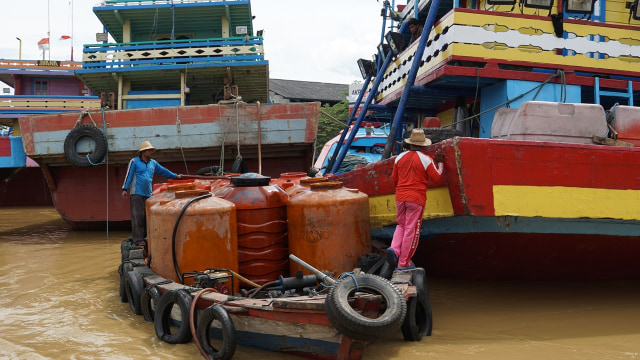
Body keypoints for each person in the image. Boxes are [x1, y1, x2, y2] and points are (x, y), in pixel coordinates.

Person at [381, 129, 444, 279]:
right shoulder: (426, 159)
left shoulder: (399, 158)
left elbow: (394, 179)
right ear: (423, 145)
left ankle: (394, 249)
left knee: (401, 225)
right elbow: (437, 178)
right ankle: (403, 263)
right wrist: (440, 162)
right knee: (412, 229)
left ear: (409, 145)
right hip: (416, 198)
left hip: (400, 197)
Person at [121, 141, 182, 247]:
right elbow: (129, 175)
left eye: (151, 150)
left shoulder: (153, 163)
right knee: (138, 216)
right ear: (143, 151)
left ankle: (146, 237)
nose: (151, 152)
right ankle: (138, 239)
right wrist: (125, 189)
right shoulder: (134, 162)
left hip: (148, 194)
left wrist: (175, 176)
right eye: (149, 150)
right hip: (137, 193)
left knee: (148, 216)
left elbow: (163, 171)